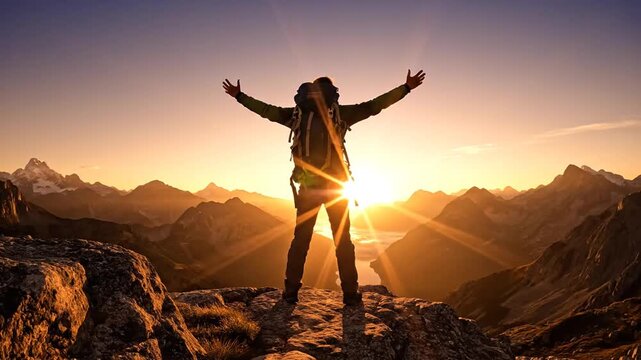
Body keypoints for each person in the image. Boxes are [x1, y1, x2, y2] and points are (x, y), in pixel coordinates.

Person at [223, 70, 425, 305]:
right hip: (337, 188)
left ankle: (290, 292)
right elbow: (374, 106)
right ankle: (350, 293)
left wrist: (240, 96)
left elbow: (266, 111)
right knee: (343, 241)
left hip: (308, 188)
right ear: (332, 94)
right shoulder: (341, 114)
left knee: (301, 240)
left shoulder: (297, 114)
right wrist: (406, 88)